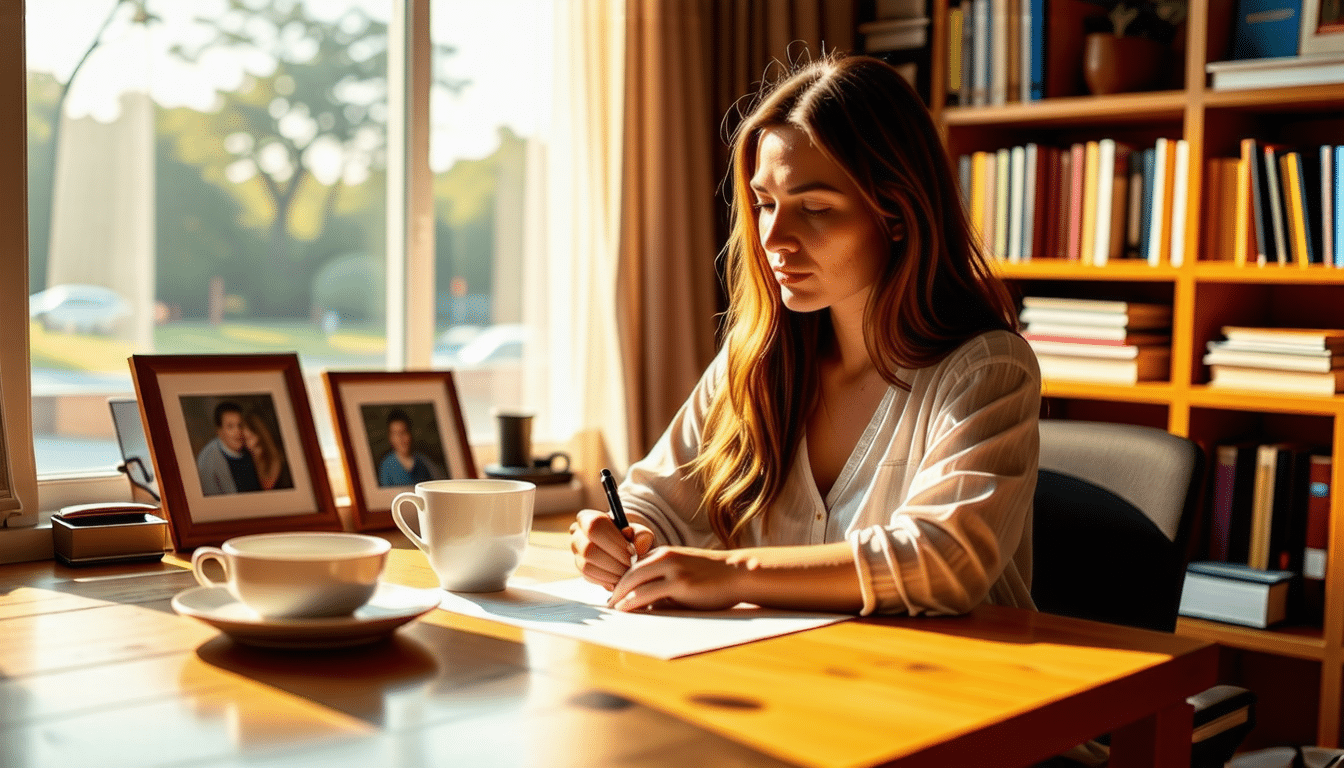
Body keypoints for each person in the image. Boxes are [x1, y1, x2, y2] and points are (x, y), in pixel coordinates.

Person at [569, 54, 1041, 618]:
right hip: (793, 668)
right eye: (765, 204)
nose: (773, 237)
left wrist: (736, 575)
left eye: (814, 207)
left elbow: (945, 558)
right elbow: (657, 503)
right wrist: (616, 535)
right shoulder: (756, 361)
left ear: (896, 214)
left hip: (958, 669)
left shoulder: (987, 370)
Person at [196, 401, 261, 496]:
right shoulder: (209, 460)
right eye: (230, 427)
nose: (237, 431)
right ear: (220, 431)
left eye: (240, 425)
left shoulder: (250, 448)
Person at [377, 408, 447, 487]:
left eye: (403, 432)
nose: (400, 439)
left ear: (410, 434)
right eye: (396, 434)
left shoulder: (424, 462)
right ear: (390, 438)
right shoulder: (386, 466)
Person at [241, 410, 292, 491]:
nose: (246, 444)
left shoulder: (275, 456)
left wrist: (256, 458)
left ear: (258, 435)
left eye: (248, 438)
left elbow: (267, 486)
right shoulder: (245, 457)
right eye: (243, 440)